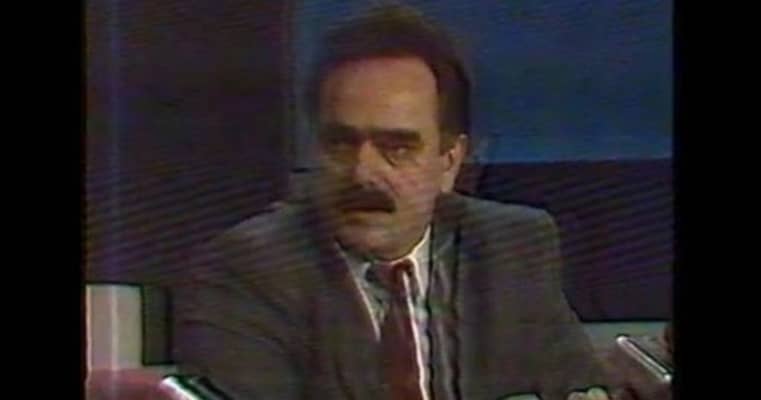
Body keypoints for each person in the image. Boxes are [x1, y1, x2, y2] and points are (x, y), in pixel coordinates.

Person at [173, 5, 658, 400]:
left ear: (449, 160)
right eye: (341, 143)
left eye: (397, 148)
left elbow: (573, 389)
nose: (363, 173)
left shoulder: (513, 246)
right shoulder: (248, 270)